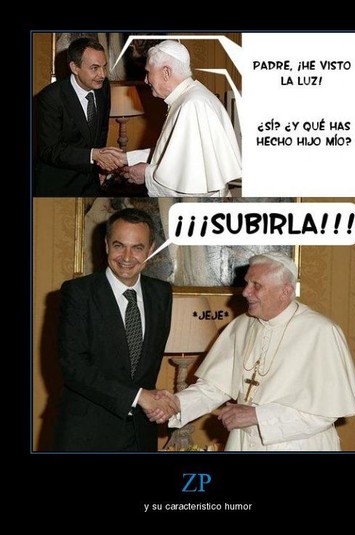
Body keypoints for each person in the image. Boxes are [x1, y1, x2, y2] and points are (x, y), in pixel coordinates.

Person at [155, 252, 355, 451]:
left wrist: (257, 416)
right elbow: (215, 387)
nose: (246, 292)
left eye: (256, 285)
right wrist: (175, 404)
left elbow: (325, 413)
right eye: (247, 283)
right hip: (243, 442)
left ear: (285, 291)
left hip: (298, 445)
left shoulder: (321, 332)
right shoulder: (242, 325)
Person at [53, 208, 178, 452]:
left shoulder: (161, 293)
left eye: (137, 247)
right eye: (119, 246)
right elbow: (74, 367)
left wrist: (155, 400)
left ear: (151, 249)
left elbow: (142, 368)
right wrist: (138, 396)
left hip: (140, 435)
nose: (127, 257)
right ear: (106, 245)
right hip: (87, 435)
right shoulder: (78, 293)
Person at [120, 40, 242, 197]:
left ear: (166, 72)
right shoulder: (190, 97)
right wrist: (126, 158)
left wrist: (147, 174)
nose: (145, 80)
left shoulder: (192, 105)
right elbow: (173, 153)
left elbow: (192, 186)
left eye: (148, 72)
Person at [34, 37, 125, 197]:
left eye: (104, 67)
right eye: (94, 68)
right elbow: (50, 150)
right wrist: (93, 155)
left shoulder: (103, 87)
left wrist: (100, 166)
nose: (102, 74)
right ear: (75, 67)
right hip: (58, 185)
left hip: (91, 183)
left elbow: (101, 131)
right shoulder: (50, 98)